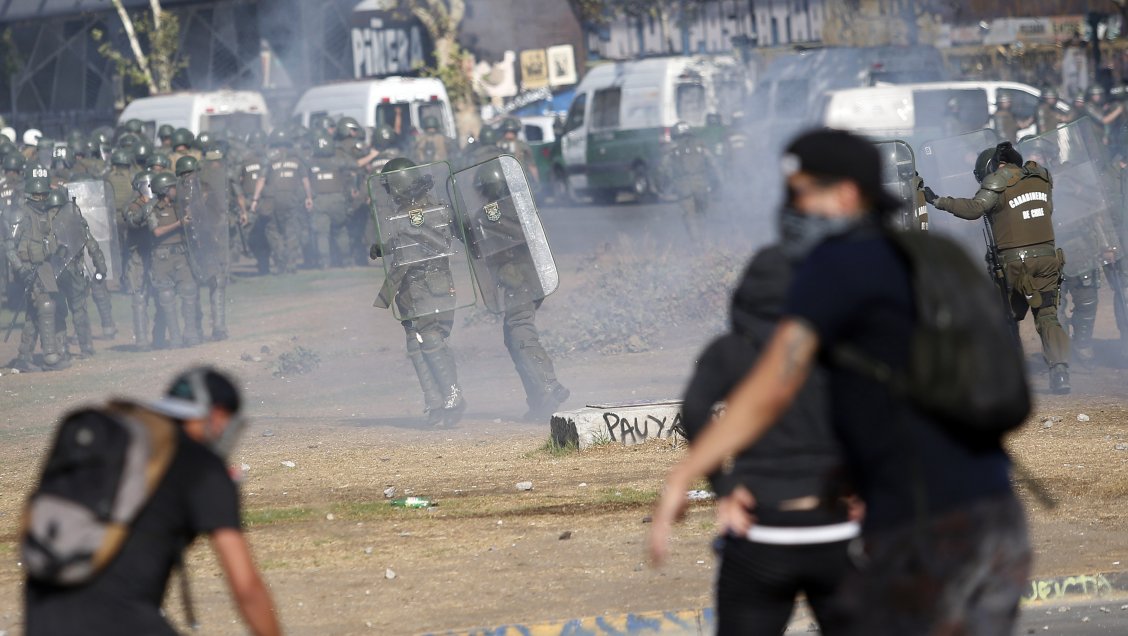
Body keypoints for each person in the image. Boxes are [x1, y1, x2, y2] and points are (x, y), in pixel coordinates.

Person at [651, 129, 1031, 634]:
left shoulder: (834, 266)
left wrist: (685, 476)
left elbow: (774, 384)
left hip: (916, 525)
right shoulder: (940, 256)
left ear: (847, 194)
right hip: (993, 514)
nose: (792, 209)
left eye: (801, 193)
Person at [24, 366, 281, 636]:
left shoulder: (114, 449)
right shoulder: (201, 465)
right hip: (119, 621)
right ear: (216, 415)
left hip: (42, 617)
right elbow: (246, 588)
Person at [680, 244, 856, 635]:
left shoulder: (729, 351)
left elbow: (693, 410)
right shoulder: (836, 347)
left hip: (761, 531)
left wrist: (724, 486)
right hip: (835, 526)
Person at [925, 141, 1071, 393]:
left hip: (1014, 264)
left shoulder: (998, 180)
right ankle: (1060, 373)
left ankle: (1009, 375)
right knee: (1047, 314)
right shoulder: (1041, 177)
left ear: (991, 168)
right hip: (1048, 259)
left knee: (1005, 318)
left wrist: (939, 201)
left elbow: (975, 209)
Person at [466, 161, 569, 420]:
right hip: (534, 280)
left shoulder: (487, 216)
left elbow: (478, 249)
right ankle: (539, 401)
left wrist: (463, 226)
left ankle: (548, 385)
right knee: (513, 335)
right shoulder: (520, 206)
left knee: (519, 330)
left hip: (517, 283)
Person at [370, 158, 466, 426]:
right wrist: (382, 248)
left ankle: (453, 396)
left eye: (390, 187)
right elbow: (403, 243)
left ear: (397, 186)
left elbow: (439, 237)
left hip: (430, 284)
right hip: (409, 289)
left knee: (431, 339)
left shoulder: (428, 212)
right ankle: (436, 404)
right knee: (416, 344)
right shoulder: (415, 213)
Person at [4, 169, 68, 371]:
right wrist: (20, 269)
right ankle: (50, 356)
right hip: (28, 268)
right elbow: (9, 247)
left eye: (44, 195)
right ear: (30, 196)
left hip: (45, 267)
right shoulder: (21, 215)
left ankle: (24, 356)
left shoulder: (46, 215)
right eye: (38, 196)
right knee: (46, 305)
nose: (42, 199)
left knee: (35, 312)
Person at [131, 171, 202, 348]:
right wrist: (179, 223)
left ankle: (191, 333)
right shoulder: (151, 208)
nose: (175, 190)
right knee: (167, 297)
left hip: (181, 254)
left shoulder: (179, 206)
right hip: (161, 258)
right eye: (172, 187)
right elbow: (156, 231)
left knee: (189, 291)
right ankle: (175, 337)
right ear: (164, 190)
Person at [250, 129, 313, 275]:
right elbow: (305, 180)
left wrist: (255, 199)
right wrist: (309, 197)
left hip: (273, 201)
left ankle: (281, 261)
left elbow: (261, 180)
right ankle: (291, 264)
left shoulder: (269, 159)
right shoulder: (297, 159)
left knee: (273, 231)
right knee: (291, 232)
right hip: (292, 200)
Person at [661, 121, 713, 239]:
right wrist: (718, 182)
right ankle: (705, 241)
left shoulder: (671, 150)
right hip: (701, 186)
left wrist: (662, 186)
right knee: (702, 214)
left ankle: (696, 243)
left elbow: (663, 170)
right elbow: (713, 164)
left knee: (689, 217)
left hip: (683, 188)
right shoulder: (701, 146)